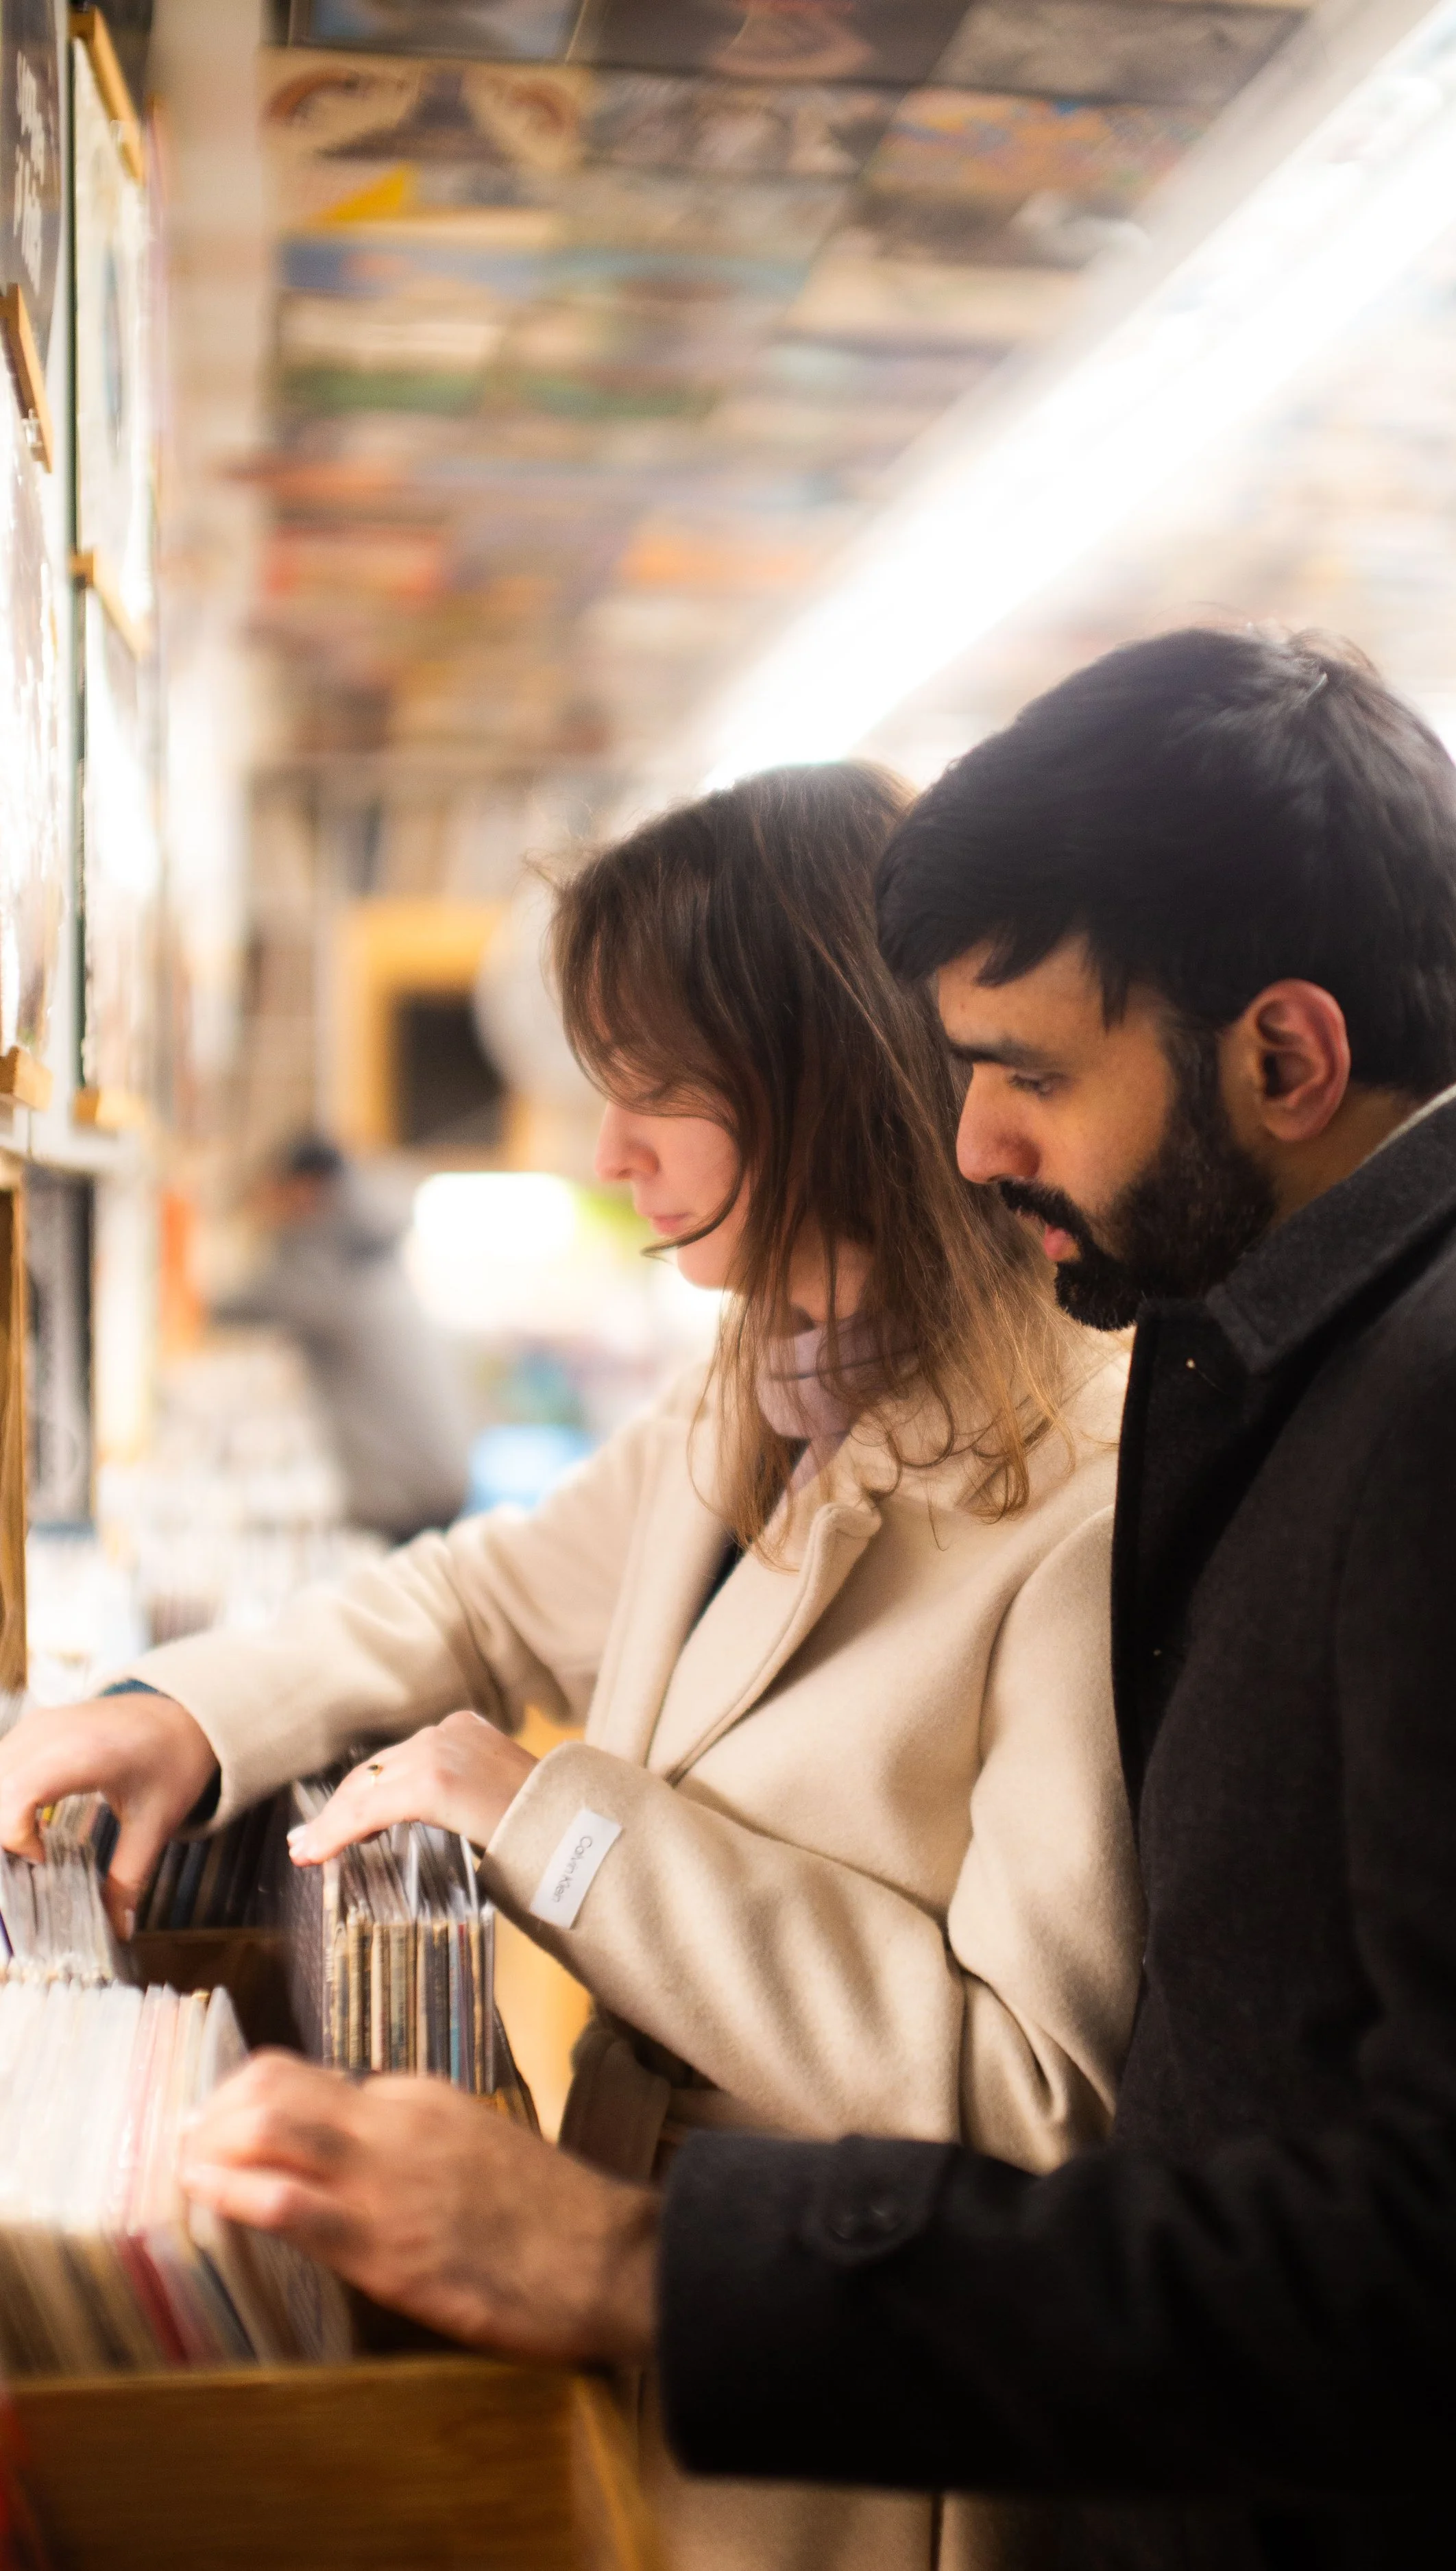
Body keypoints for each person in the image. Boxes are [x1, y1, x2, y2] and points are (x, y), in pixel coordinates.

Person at [110, 624, 1456, 2571]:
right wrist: (175, 1710)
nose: (971, 1145)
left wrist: (632, 2244)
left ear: (1280, 1054)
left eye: (1021, 1071)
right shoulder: (1315, 1349)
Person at [0, 762, 1139, 2571]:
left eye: (651, 1096)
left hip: (842, 2447)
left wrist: (563, 1823)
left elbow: (1030, 2107)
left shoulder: (1080, 1494)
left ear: (820, 1087)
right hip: (632, 2335)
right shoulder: (766, 1370)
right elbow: (470, 1594)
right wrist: (173, 1714)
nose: (607, 1155)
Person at [220, 1134, 469, 1543]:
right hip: (431, 1473)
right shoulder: (361, 1242)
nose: (266, 1204)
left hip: (406, 1492)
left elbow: (244, 1305)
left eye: (273, 1189)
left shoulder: (330, 1259)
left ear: (304, 1188)